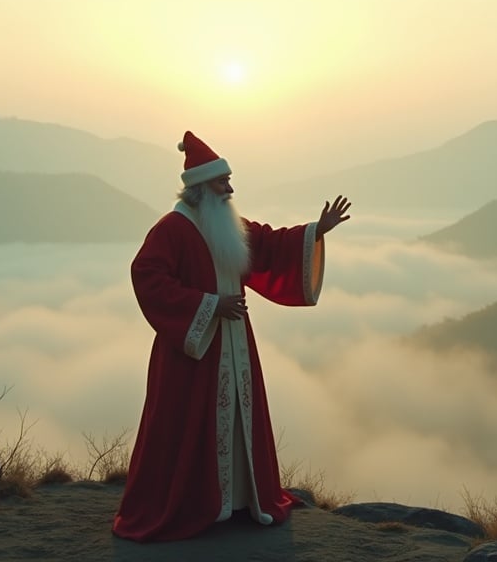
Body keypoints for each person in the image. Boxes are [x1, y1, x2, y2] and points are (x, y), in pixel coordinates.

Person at [112, 130, 351, 542]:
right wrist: (208, 305)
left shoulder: (227, 224)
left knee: (237, 417)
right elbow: (146, 276)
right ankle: (194, 504)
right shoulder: (172, 229)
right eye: (223, 182)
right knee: (188, 425)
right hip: (194, 349)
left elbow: (270, 244)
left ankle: (239, 499)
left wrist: (317, 230)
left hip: (234, 344)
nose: (230, 188)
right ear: (202, 187)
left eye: (229, 180)